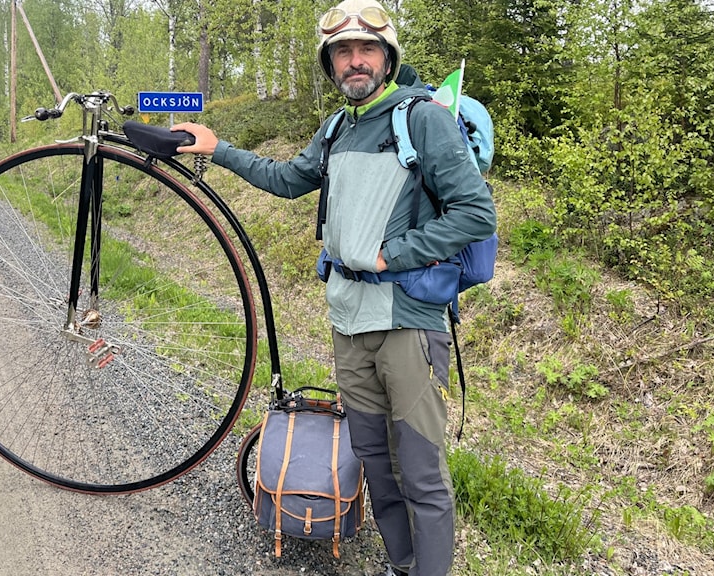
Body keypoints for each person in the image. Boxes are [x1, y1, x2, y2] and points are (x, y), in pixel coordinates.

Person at [174, 1, 496, 574]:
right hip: (349, 322)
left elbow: (475, 214)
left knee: (420, 471)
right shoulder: (337, 128)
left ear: (387, 56)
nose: (354, 61)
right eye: (342, 52)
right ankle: (404, 566)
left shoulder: (422, 119)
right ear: (330, 63)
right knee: (375, 462)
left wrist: (391, 254)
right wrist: (216, 149)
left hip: (407, 325)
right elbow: (287, 178)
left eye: (366, 49)